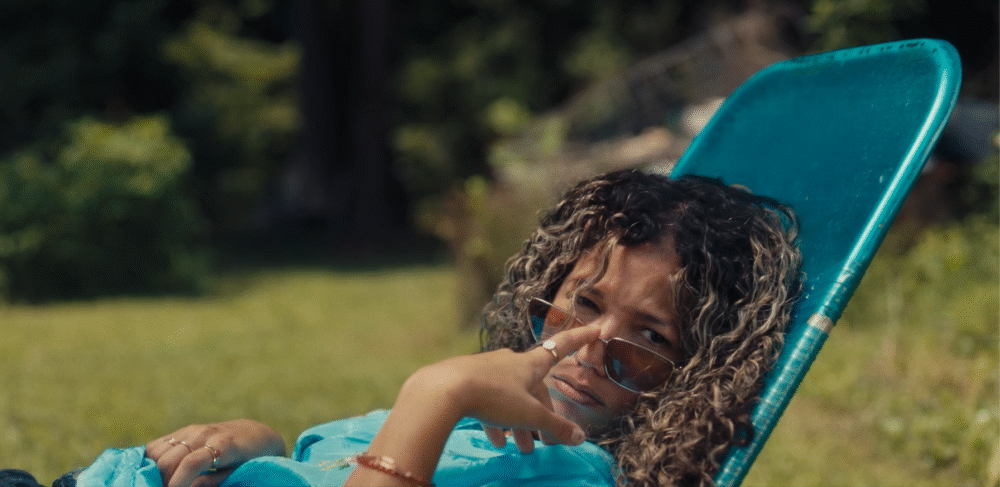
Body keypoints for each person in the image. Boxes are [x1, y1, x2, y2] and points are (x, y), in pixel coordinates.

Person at [9, 169, 801, 487]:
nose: (586, 349)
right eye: (583, 305)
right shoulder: (491, 429)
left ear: (698, 374)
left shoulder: (570, 474)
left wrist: (441, 387)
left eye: (650, 339)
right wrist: (256, 442)